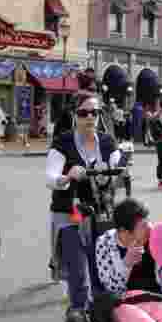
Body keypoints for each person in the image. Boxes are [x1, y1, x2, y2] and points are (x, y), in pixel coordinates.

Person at [45, 93, 122, 311]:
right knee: (79, 276)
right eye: (83, 113)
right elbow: (51, 177)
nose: (90, 117)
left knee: (101, 271)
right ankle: (78, 319)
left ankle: (100, 318)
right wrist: (67, 175)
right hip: (72, 214)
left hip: (100, 214)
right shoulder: (63, 142)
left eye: (94, 112)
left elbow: (119, 160)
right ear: (74, 115)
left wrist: (113, 168)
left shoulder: (107, 141)